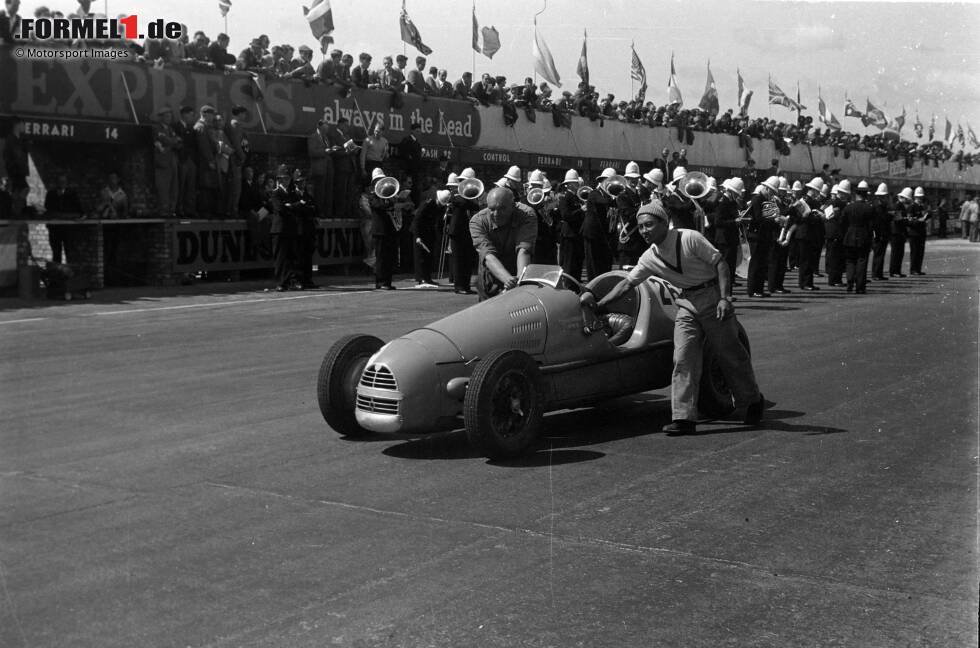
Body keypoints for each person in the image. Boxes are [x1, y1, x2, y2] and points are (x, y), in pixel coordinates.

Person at [589, 200, 764, 434]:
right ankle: (684, 418)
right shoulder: (649, 257)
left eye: (649, 225)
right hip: (687, 303)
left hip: (712, 298)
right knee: (683, 358)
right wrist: (598, 304)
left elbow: (720, 263)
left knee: (730, 354)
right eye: (640, 227)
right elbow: (627, 284)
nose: (644, 231)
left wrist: (725, 298)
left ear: (664, 223)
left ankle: (752, 400)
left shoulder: (689, 238)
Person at [468, 187, 537, 300]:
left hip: (519, 271)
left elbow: (524, 250)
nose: (496, 214)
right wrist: (508, 280)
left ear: (513, 205)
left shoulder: (527, 214)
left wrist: (519, 282)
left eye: (502, 208)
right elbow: (488, 256)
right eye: (492, 209)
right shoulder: (477, 221)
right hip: (491, 278)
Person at [744, 176, 780, 298]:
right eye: (772, 191)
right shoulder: (757, 199)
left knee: (762, 264)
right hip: (756, 235)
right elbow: (759, 219)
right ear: (767, 188)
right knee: (756, 264)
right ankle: (753, 289)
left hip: (763, 236)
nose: (772, 194)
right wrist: (775, 220)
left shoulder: (765, 200)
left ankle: (758, 289)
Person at [269, 164, 300, 291]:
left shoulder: (292, 193)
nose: (286, 181)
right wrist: (291, 207)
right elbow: (280, 208)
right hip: (279, 229)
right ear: (279, 180)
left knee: (291, 256)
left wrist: (290, 206)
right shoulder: (276, 193)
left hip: (290, 227)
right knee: (281, 257)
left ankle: (291, 280)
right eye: (284, 178)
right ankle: (281, 282)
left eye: (288, 178)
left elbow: (298, 207)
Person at [366, 168, 398, 289]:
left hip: (389, 228)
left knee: (389, 257)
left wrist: (391, 200)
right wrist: (388, 202)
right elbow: (378, 206)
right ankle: (380, 282)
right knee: (381, 257)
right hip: (379, 230)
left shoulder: (387, 195)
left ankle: (387, 281)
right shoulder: (372, 196)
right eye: (378, 180)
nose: (381, 182)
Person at [841, 180, 875, 293]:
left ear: (856, 194)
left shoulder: (848, 208)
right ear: (865, 195)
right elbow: (871, 226)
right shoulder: (869, 209)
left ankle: (849, 283)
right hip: (863, 237)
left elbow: (843, 223)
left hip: (849, 236)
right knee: (862, 261)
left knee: (850, 261)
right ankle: (860, 287)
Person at [713, 178, 744, 298]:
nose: (737, 194)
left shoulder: (732, 202)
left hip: (731, 238)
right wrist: (734, 221)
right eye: (736, 192)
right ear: (730, 191)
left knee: (730, 268)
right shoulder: (723, 201)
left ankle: (728, 293)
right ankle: (723, 294)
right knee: (724, 268)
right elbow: (718, 222)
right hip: (724, 239)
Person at [410, 189, 448, 287]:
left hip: (429, 233)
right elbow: (417, 220)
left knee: (428, 257)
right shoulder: (427, 204)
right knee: (420, 256)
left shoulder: (439, 207)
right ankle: (421, 278)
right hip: (420, 232)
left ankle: (427, 277)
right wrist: (417, 236)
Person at [44, 174, 83, 263]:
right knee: (56, 253)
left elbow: (77, 209)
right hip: (55, 229)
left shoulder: (72, 194)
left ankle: (69, 273)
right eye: (60, 181)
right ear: (56, 183)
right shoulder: (51, 194)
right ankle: (57, 274)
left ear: (67, 183)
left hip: (68, 229)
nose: (62, 183)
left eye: (64, 181)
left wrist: (65, 215)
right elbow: (48, 208)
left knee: (69, 252)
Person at [151, 107, 180, 218]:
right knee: (163, 187)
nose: (169, 118)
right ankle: (163, 210)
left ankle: (171, 210)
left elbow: (178, 143)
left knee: (174, 187)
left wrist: (172, 142)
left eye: (170, 116)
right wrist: (173, 141)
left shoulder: (171, 129)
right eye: (167, 116)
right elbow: (165, 140)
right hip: (162, 161)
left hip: (172, 159)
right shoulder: (157, 128)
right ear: (161, 117)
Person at [557, 170, 586, 280]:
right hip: (569, 235)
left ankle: (575, 285)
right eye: (574, 183)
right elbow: (566, 215)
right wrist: (581, 210)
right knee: (570, 264)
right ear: (569, 184)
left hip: (576, 234)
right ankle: (569, 285)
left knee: (577, 263)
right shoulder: (565, 197)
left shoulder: (576, 197)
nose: (577, 184)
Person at [193, 105, 220, 217]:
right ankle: (204, 211)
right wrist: (210, 160)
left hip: (207, 161)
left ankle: (207, 210)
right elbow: (204, 146)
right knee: (205, 186)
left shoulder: (206, 126)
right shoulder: (201, 127)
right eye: (211, 114)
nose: (212, 117)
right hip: (204, 162)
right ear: (204, 114)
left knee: (209, 186)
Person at [224, 105, 250, 219]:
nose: (245, 116)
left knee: (235, 186)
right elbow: (236, 143)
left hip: (235, 159)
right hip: (235, 160)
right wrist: (242, 156)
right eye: (244, 113)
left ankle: (231, 209)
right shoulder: (235, 125)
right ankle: (232, 210)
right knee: (235, 187)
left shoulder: (235, 125)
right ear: (239, 113)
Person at [308, 119, 336, 219]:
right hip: (319, 169)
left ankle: (327, 212)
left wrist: (332, 150)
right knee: (320, 192)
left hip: (328, 168)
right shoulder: (313, 137)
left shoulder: (326, 138)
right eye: (325, 127)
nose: (327, 129)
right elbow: (312, 152)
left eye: (327, 127)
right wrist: (325, 151)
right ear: (319, 126)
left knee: (328, 192)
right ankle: (319, 212)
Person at [2, 116, 29, 218]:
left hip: (18, 170)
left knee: (17, 191)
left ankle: (14, 210)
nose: (24, 126)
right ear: (17, 125)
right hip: (16, 171)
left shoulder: (18, 140)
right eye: (23, 124)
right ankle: (15, 210)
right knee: (24, 189)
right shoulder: (11, 139)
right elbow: (11, 156)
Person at [870, 183, 891, 281]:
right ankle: (876, 274)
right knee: (878, 255)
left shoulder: (882, 207)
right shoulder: (878, 207)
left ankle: (878, 273)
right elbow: (879, 221)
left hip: (883, 234)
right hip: (879, 235)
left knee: (880, 255)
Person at [889, 187, 912, 277]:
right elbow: (898, 220)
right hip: (897, 232)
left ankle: (896, 271)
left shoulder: (899, 205)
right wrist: (906, 220)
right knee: (896, 253)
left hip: (898, 232)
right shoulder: (898, 206)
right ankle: (894, 271)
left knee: (898, 253)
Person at [907, 187, 930, 275]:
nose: (920, 199)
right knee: (915, 252)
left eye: (921, 197)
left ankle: (918, 269)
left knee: (920, 252)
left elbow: (924, 217)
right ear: (915, 197)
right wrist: (918, 220)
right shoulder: (911, 207)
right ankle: (913, 269)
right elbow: (909, 220)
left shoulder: (922, 207)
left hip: (921, 232)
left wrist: (927, 217)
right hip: (914, 233)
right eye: (918, 197)